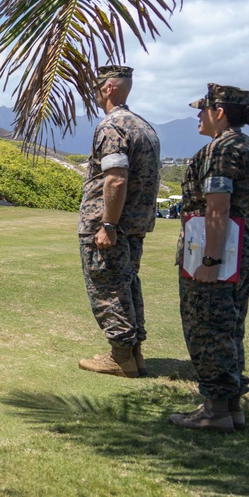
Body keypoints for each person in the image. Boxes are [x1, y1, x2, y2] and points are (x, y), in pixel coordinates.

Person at [169, 84, 249, 433]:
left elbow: (217, 206)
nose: (198, 115)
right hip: (243, 250)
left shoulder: (220, 150)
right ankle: (230, 407)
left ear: (220, 112)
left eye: (203, 109)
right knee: (230, 328)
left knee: (206, 330)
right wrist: (242, 245)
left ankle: (215, 410)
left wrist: (210, 261)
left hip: (216, 255)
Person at [77, 65, 161, 378]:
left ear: (110, 88)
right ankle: (134, 353)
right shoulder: (143, 126)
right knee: (127, 283)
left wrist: (107, 225)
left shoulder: (112, 126)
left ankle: (121, 356)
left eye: (97, 86)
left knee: (108, 286)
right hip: (135, 224)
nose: (94, 92)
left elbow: (115, 179)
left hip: (111, 224)